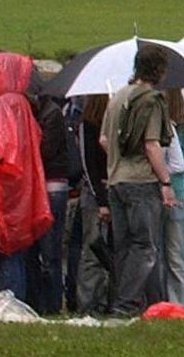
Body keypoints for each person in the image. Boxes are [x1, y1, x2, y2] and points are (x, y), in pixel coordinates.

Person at [100, 42, 174, 317]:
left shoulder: (119, 96)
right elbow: (151, 145)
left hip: (116, 179)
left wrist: (118, 160)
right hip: (142, 181)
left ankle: (124, 300)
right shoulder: (151, 100)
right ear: (159, 70)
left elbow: (104, 139)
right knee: (145, 247)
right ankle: (127, 305)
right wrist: (165, 182)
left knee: (124, 247)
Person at [0, 52, 50, 302]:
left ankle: (10, 301)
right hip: (20, 192)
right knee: (15, 251)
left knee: (6, 250)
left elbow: (3, 151)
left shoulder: (5, 105)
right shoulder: (22, 105)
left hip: (5, 193)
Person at [26, 82, 69, 315]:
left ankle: (52, 304)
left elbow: (45, 150)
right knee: (37, 251)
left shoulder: (50, 114)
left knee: (50, 252)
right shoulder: (48, 112)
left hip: (50, 184)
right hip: (44, 184)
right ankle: (40, 302)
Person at [73, 94, 111, 315]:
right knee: (93, 248)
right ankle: (87, 303)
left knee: (104, 249)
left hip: (107, 187)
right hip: (96, 190)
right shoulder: (88, 125)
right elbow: (88, 164)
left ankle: (102, 299)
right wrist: (101, 199)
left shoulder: (105, 123)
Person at [159, 88, 184, 307]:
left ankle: (181, 303)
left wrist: (160, 169)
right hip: (165, 193)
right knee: (167, 255)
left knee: (175, 254)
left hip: (176, 194)